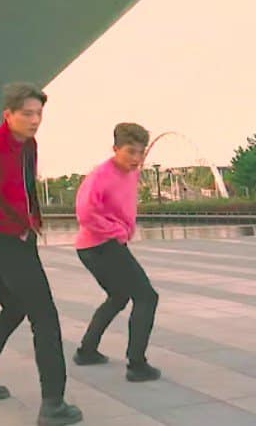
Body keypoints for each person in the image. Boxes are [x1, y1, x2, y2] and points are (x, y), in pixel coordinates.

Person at [0, 83, 82, 426]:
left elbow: (27, 189)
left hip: (13, 239)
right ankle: (53, 405)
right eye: (27, 114)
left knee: (14, 308)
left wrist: (33, 223)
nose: (35, 120)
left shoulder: (29, 145)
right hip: (0, 241)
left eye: (39, 113)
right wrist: (18, 228)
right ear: (8, 115)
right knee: (45, 318)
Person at [73, 122, 161, 382]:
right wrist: (116, 231)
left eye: (141, 152)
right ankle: (137, 365)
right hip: (100, 246)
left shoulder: (132, 172)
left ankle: (87, 351)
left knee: (119, 296)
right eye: (130, 151)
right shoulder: (100, 176)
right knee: (147, 297)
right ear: (115, 149)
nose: (136, 158)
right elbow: (85, 214)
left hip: (102, 245)